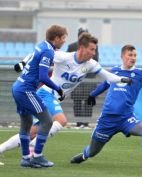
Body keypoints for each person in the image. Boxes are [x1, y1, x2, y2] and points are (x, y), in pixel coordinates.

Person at [0, 33, 131, 156]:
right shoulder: (63, 57)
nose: (94, 53)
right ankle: (34, 150)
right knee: (61, 120)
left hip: (55, 99)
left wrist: (122, 79)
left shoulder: (91, 64)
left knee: (31, 133)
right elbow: (37, 53)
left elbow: (107, 76)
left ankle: (2, 149)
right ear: (81, 48)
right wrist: (23, 62)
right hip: (46, 93)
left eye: (94, 50)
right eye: (91, 49)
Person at [11, 24, 68, 168]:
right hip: (26, 90)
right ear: (56, 38)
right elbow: (43, 76)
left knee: (26, 123)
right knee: (47, 121)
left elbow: (31, 59)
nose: (64, 41)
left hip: (18, 87)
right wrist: (58, 89)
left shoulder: (41, 45)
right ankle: (37, 156)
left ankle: (25, 159)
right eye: (63, 38)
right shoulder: (48, 51)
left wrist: (22, 63)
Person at [67, 27, 99, 128]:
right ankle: (78, 123)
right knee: (77, 102)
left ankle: (86, 123)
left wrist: (88, 76)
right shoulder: (71, 46)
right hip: (76, 80)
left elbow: (95, 61)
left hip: (89, 80)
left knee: (89, 101)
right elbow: (68, 63)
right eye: (82, 34)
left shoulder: (94, 47)